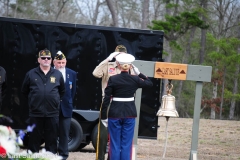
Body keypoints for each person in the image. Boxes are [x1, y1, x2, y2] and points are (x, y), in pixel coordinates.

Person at [100, 53, 153, 160]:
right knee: (126, 144)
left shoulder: (113, 79)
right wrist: (139, 73)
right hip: (130, 113)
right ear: (129, 66)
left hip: (115, 113)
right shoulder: (135, 79)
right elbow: (149, 83)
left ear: (118, 65)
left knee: (114, 144)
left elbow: (106, 99)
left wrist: (104, 116)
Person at [93, 45, 137, 160]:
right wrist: (108, 58)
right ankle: (100, 158)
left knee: (122, 137)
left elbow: (136, 81)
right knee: (103, 135)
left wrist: (131, 64)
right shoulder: (108, 66)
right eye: (118, 55)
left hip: (125, 104)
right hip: (108, 103)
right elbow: (95, 73)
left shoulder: (130, 68)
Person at [21, 49, 65, 154]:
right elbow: (24, 91)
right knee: (34, 141)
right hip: (36, 114)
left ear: (51, 60)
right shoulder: (31, 74)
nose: (46, 60)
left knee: (52, 141)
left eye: (48, 58)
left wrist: (54, 102)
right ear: (38, 60)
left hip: (52, 114)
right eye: (43, 58)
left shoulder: (57, 74)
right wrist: (34, 102)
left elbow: (62, 91)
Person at [53, 51, 77, 160]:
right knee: (52, 132)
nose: (61, 65)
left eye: (63, 62)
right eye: (59, 62)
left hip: (66, 107)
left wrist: (68, 102)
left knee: (64, 133)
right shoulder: (49, 72)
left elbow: (73, 91)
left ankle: (63, 155)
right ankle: (51, 154)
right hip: (52, 107)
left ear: (66, 62)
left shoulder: (71, 73)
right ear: (54, 62)